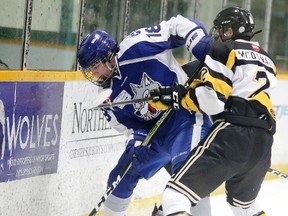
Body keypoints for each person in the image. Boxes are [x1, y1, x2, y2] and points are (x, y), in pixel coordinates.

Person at [77, 15, 212, 216]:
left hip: (184, 118)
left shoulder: (137, 45)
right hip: (153, 135)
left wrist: (198, 41)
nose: (94, 75)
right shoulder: (105, 98)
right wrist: (136, 142)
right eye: (90, 71)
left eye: (96, 67)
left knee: (188, 177)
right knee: (118, 182)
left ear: (108, 57)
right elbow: (129, 127)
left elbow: (175, 25)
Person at [149, 6, 277, 216]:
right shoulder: (267, 59)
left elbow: (212, 102)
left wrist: (178, 97)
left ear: (233, 30)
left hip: (233, 134)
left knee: (175, 196)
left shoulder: (224, 50)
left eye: (222, 29)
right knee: (244, 206)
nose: (218, 35)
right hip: (263, 141)